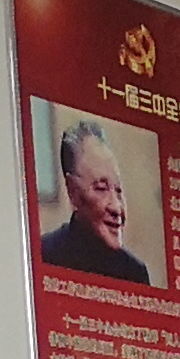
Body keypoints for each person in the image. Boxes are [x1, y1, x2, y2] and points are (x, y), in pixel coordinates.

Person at [37, 118, 151, 284]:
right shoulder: (44, 255)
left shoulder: (135, 272)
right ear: (73, 191)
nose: (117, 207)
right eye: (101, 188)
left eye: (118, 190)